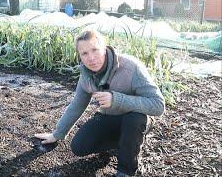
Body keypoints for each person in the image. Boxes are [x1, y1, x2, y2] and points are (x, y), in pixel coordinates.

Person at [35, 30, 165, 177]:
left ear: (104, 48)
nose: (91, 58)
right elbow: (77, 105)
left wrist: (116, 99)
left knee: (133, 120)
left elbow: (158, 105)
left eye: (95, 50)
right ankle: (122, 144)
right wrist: (57, 134)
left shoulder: (131, 68)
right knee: (79, 146)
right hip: (110, 118)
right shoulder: (86, 75)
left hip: (136, 120)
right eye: (84, 53)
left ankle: (125, 170)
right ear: (79, 56)